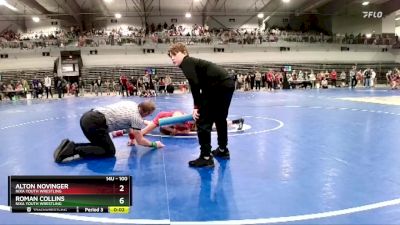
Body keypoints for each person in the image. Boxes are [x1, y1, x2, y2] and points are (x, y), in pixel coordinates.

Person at [168, 43, 235, 167]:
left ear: (184, 53)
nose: (172, 58)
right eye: (170, 56)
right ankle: (222, 150)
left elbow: (194, 84)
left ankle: (206, 157)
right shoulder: (194, 63)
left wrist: (196, 107)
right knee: (220, 118)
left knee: (202, 120)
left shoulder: (186, 62)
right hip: (227, 83)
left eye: (174, 54)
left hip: (217, 86)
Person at [53, 101, 164, 163]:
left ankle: (67, 145)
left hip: (87, 117)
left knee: (100, 145)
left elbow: (130, 127)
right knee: (108, 151)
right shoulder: (136, 119)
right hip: (95, 124)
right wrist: (154, 144)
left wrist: (131, 139)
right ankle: (73, 149)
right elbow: (140, 141)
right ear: (147, 112)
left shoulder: (131, 104)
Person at [112, 111, 244, 141]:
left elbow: (214, 123)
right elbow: (146, 130)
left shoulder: (186, 122)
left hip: (172, 122)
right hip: (167, 121)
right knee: (145, 130)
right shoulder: (181, 120)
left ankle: (235, 121)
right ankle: (124, 130)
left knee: (146, 124)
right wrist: (173, 129)